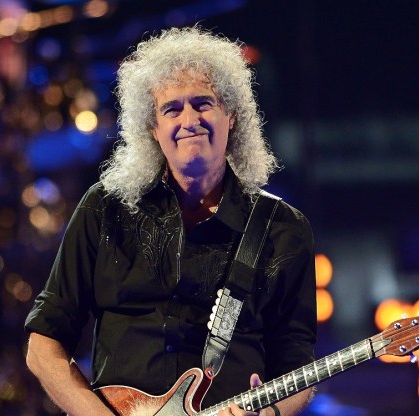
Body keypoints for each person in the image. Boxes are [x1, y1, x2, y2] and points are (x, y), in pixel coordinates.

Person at [25, 27, 317, 416]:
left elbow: (298, 362)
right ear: (152, 129)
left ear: (231, 116)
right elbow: (43, 344)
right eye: (172, 109)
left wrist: (270, 413)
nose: (189, 119)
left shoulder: (282, 228)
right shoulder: (105, 208)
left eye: (203, 103)